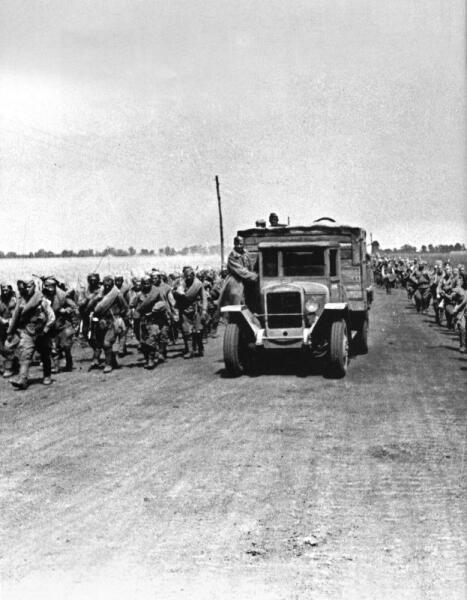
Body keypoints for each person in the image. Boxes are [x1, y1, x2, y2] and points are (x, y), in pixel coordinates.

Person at [7, 279, 55, 389]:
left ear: (34, 287)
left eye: (29, 287)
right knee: (25, 355)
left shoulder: (41, 299)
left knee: (44, 354)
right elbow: (15, 317)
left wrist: (46, 328)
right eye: (25, 288)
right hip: (27, 331)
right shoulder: (21, 301)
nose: (27, 290)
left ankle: (47, 376)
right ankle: (22, 379)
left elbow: (51, 316)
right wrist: (12, 331)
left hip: (41, 332)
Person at [88, 276, 128, 373]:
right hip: (101, 321)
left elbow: (125, 307)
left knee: (107, 343)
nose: (106, 286)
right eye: (105, 284)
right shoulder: (99, 294)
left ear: (112, 284)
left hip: (113, 321)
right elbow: (91, 306)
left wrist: (118, 316)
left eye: (109, 284)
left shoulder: (117, 295)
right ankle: (112, 361)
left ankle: (108, 364)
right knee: (99, 342)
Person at [42, 277, 79, 373]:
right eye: (46, 286)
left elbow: (74, 307)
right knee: (53, 347)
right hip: (51, 325)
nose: (48, 288)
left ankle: (69, 363)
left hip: (63, 325)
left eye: (50, 286)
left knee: (66, 346)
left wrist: (66, 310)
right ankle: (56, 366)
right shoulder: (43, 296)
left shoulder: (62, 296)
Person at [176, 267, 207, 358]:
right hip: (184, 309)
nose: (189, 277)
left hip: (196, 310)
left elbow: (204, 298)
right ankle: (190, 350)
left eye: (191, 275)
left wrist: (204, 310)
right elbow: (176, 293)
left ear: (193, 275)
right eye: (187, 275)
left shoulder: (198, 284)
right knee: (186, 331)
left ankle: (200, 347)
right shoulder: (181, 284)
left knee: (198, 331)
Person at [218, 236, 258, 308]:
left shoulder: (246, 253)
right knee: (236, 297)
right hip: (236, 280)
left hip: (247, 278)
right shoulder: (232, 257)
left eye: (241, 244)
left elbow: (251, 265)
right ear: (234, 244)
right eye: (237, 244)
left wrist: (252, 273)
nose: (239, 246)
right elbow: (240, 271)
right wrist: (254, 276)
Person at [0, 283, 17, 378]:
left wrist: (10, 321)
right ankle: (12, 362)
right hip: (2, 326)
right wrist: (2, 320)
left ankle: (9, 368)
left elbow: (15, 313)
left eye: (6, 290)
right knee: (1, 347)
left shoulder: (14, 300)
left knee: (8, 346)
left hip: (12, 326)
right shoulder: (0, 300)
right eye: (3, 290)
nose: (4, 292)